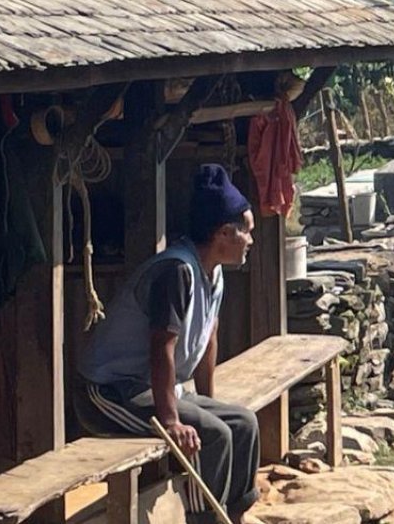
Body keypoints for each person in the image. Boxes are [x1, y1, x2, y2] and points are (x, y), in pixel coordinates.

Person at [77, 165, 259, 524]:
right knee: (212, 435)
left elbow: (209, 338)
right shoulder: (177, 272)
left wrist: (208, 400)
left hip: (154, 387)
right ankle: (203, 520)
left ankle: (233, 515)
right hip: (110, 391)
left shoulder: (215, 272)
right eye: (247, 231)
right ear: (224, 232)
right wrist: (172, 419)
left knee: (243, 422)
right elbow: (162, 347)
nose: (252, 240)